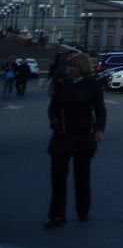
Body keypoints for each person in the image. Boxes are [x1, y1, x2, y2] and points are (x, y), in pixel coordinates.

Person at [45, 52, 106, 228]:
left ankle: (83, 210)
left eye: (73, 65)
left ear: (82, 68)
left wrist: (99, 129)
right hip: (62, 136)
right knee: (57, 177)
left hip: (83, 136)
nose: (70, 68)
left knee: (82, 176)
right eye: (69, 65)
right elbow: (53, 107)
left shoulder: (92, 85)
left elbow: (100, 110)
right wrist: (54, 120)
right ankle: (57, 215)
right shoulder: (62, 83)